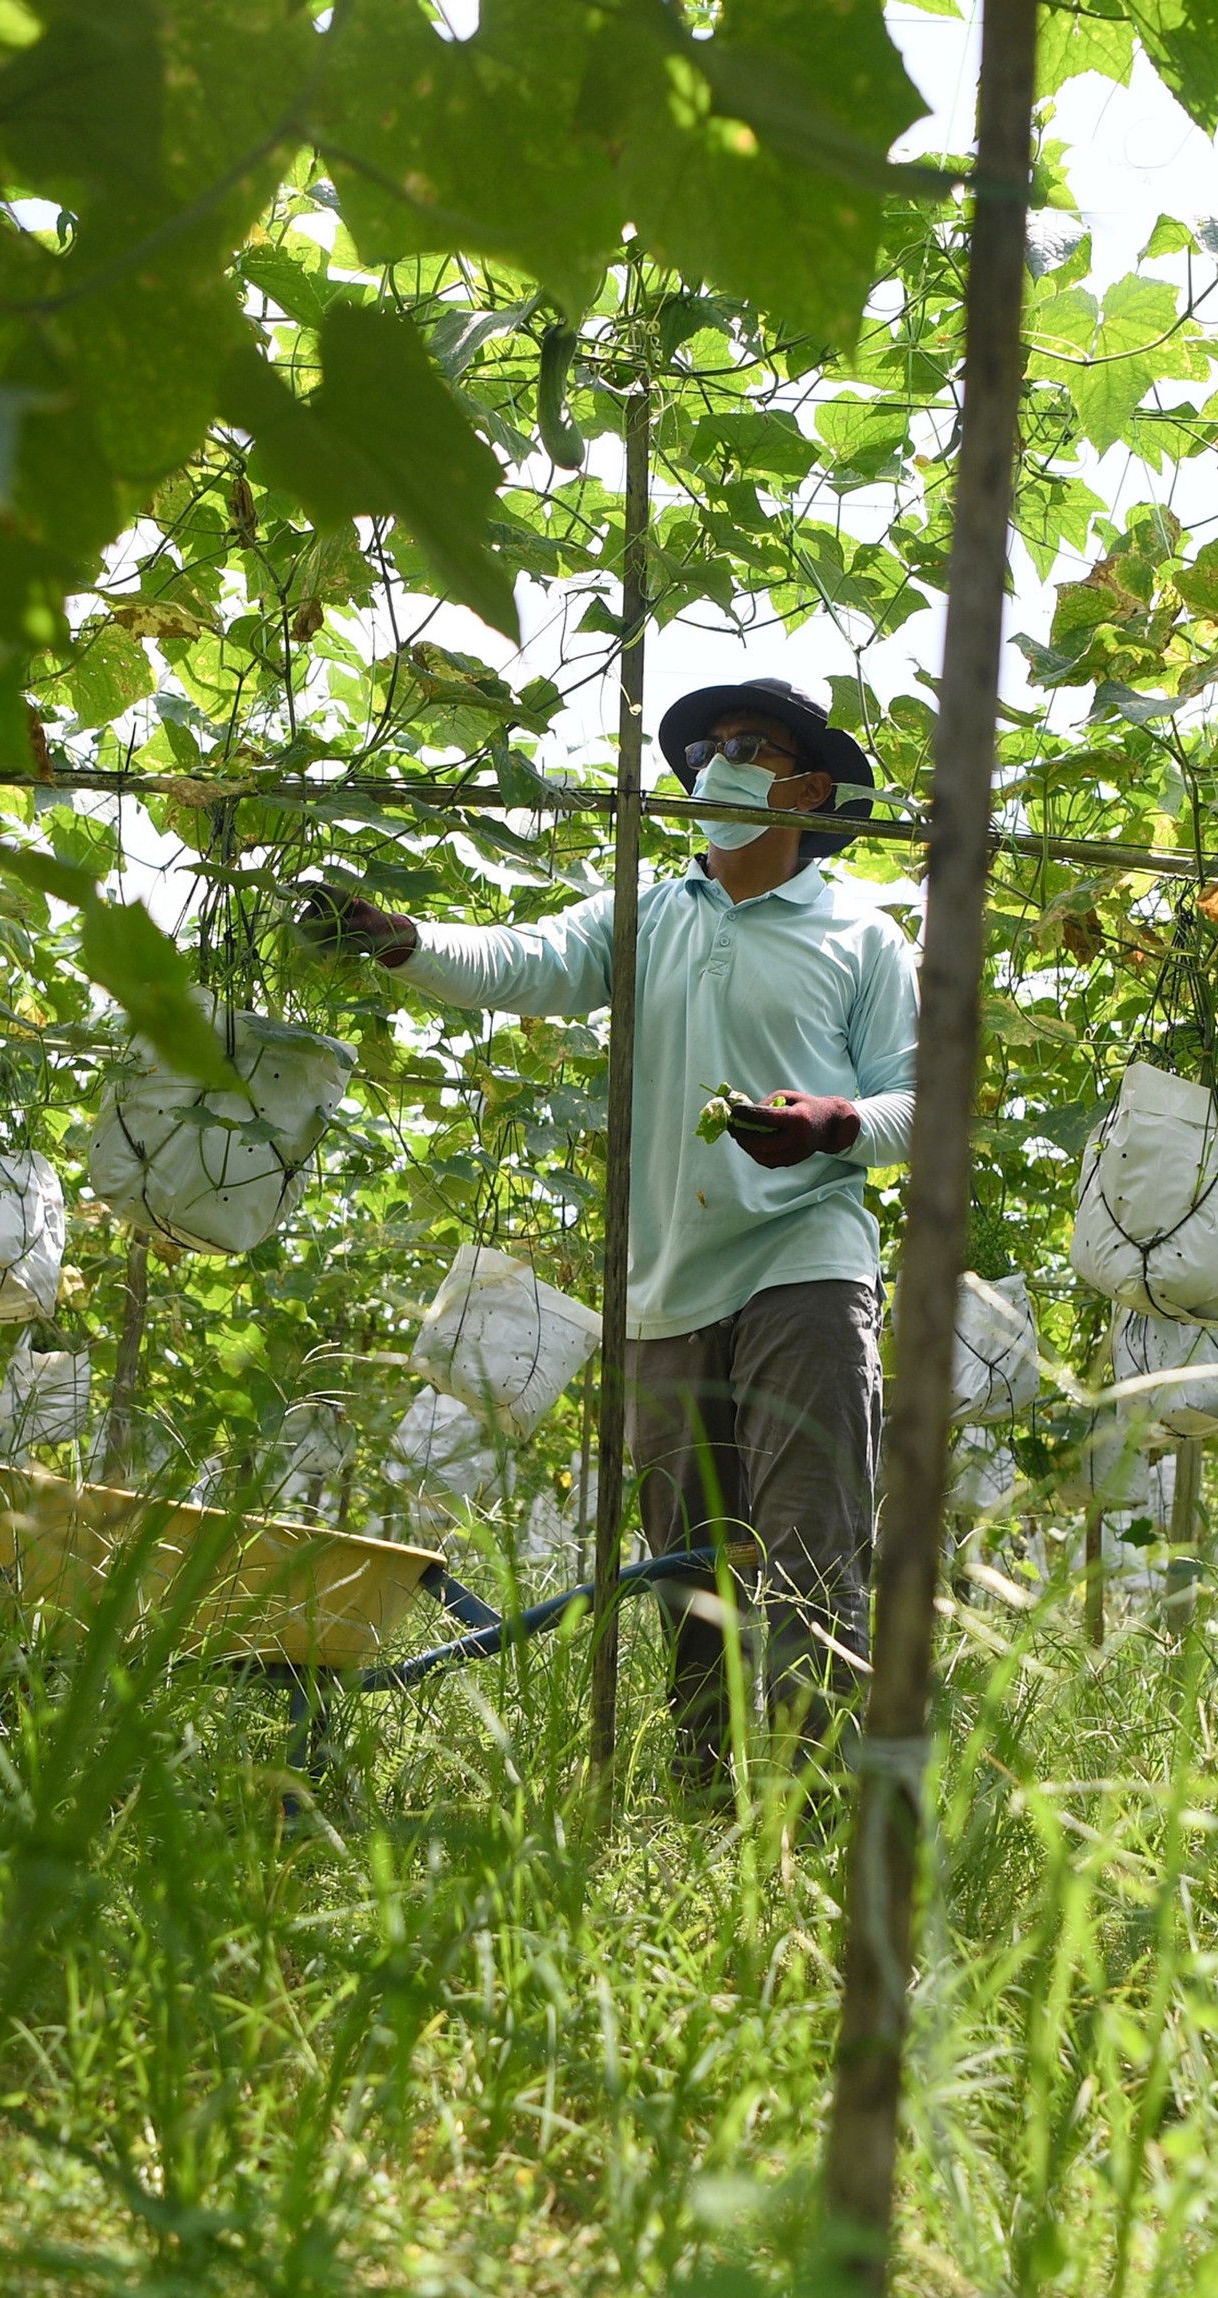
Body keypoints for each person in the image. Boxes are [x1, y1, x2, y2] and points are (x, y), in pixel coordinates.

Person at [300, 678, 916, 1785]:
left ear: (809, 787)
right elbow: (526, 962)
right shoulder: (643, 912)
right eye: (706, 748)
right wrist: (403, 939)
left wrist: (835, 1124)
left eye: (748, 746)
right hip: (665, 1286)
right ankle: (705, 1801)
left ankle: (816, 1810)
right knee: (688, 1564)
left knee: (810, 1542)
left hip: (804, 1264)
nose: (715, 763)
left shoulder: (861, 934)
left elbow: (920, 1102)